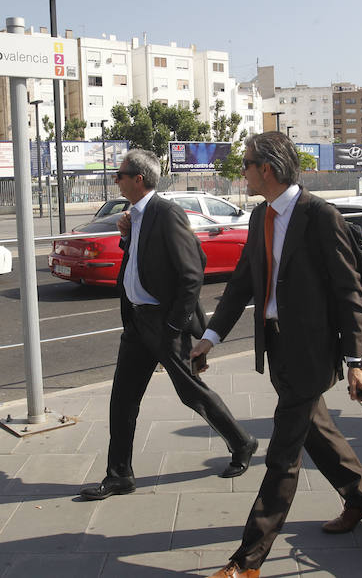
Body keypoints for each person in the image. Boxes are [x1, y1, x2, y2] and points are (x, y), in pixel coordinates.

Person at [191, 132, 362, 578]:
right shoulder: (260, 217)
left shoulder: (320, 216)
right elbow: (241, 283)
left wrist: (355, 363)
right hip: (276, 343)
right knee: (314, 426)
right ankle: (361, 495)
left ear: (268, 170)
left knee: (282, 455)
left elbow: (349, 293)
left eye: (247, 164)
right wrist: (211, 336)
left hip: (313, 352)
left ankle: (248, 559)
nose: (243, 172)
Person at [79, 149, 257, 501]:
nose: (115, 179)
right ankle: (119, 475)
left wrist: (174, 325)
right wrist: (126, 237)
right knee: (123, 399)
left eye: (120, 174)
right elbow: (141, 263)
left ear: (138, 179)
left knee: (191, 391)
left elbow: (193, 272)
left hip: (163, 322)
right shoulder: (134, 217)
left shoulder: (166, 213)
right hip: (137, 322)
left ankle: (242, 442)